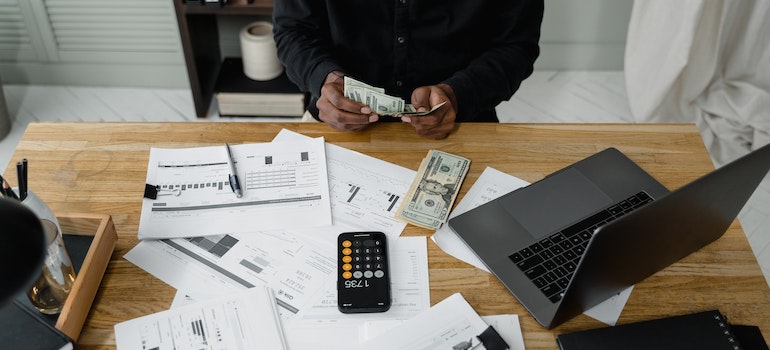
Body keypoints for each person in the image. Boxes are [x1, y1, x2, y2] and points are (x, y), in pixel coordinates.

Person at [272, 1, 544, 139]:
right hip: (336, 119)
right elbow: (293, 31)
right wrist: (324, 78)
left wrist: (458, 93)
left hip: (462, 121)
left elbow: (516, 46)